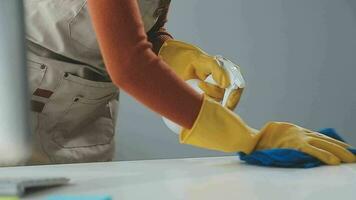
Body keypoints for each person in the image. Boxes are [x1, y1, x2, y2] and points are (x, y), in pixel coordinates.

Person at [25, 0, 355, 165]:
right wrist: (250, 139)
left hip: (76, 110)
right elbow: (129, 64)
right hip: (24, 109)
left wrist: (173, 53)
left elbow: (142, 26)